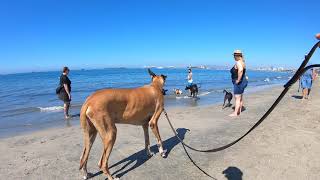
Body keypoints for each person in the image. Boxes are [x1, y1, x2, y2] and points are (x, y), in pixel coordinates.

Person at [229, 50, 248, 117]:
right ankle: (239, 111)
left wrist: (238, 80)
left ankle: (235, 113)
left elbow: (240, 70)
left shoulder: (238, 63)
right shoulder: (242, 62)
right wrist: (245, 77)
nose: (233, 57)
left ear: (236, 56)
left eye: (234, 55)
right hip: (243, 82)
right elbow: (244, 71)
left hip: (239, 82)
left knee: (237, 98)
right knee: (240, 97)